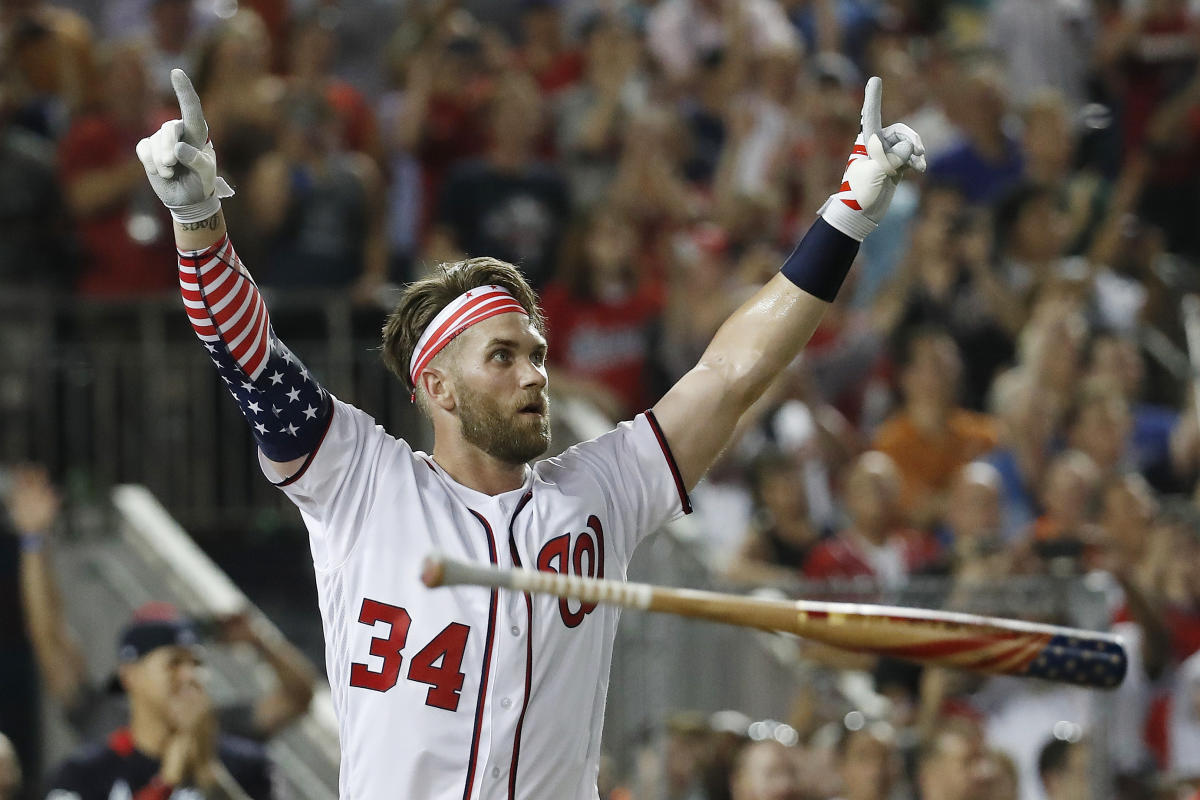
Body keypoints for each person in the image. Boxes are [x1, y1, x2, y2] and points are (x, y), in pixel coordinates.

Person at [135, 68, 924, 798]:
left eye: (539, 355)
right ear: (435, 385)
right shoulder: (357, 479)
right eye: (504, 356)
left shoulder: (601, 492)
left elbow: (729, 377)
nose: (535, 374)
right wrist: (197, 220)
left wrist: (848, 209)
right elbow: (248, 355)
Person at [44, 608, 277, 800]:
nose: (190, 675)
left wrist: (209, 774)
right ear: (129, 676)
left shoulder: (249, 764)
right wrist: (165, 784)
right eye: (173, 663)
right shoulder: (85, 773)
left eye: (197, 663)